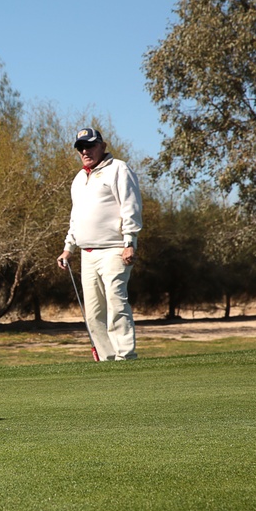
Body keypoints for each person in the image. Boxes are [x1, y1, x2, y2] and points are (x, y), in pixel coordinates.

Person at [57, 127, 143, 361]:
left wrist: (130, 242)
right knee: (94, 311)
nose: (85, 151)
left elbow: (130, 207)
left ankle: (125, 355)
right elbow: (76, 217)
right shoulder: (78, 178)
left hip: (115, 249)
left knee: (116, 301)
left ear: (102, 147)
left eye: (90, 146)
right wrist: (68, 248)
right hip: (87, 252)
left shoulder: (118, 169)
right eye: (81, 148)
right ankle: (107, 358)